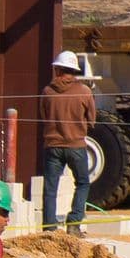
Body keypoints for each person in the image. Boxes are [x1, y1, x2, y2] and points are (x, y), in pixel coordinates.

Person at [37, 53, 96, 231]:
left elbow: (43, 117)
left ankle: (49, 228)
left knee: (50, 189)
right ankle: (74, 223)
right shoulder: (85, 91)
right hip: (76, 145)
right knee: (83, 183)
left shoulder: (47, 92)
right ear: (74, 70)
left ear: (58, 69)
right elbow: (92, 120)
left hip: (52, 146)